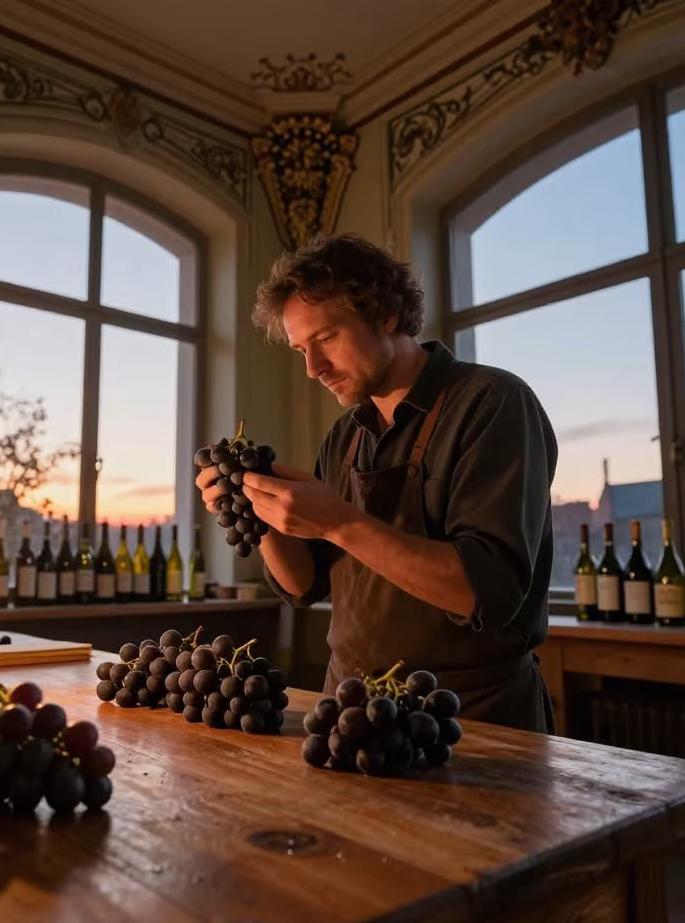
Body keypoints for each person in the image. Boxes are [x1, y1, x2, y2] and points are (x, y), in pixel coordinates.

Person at [195, 234, 557, 733]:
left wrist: (339, 521)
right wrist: (261, 514)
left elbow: (487, 591)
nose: (312, 369)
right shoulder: (344, 435)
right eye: (301, 350)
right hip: (349, 711)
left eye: (325, 340)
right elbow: (305, 585)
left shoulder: (494, 404)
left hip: (468, 719)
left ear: (386, 314)